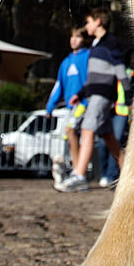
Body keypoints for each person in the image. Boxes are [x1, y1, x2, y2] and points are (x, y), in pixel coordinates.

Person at [56, 8, 129, 192]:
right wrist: (80, 94)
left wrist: (127, 95)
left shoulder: (111, 43)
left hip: (102, 95)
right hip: (94, 93)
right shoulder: (95, 46)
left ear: (98, 22)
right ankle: (130, 174)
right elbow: (92, 78)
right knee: (108, 137)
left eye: (88, 22)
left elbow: (121, 69)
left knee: (88, 130)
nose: (86, 26)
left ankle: (79, 176)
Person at [45, 26, 91, 188]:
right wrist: (50, 106)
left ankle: (80, 174)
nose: (74, 40)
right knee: (68, 135)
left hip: (84, 104)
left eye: (78, 37)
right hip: (70, 108)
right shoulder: (66, 62)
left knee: (71, 131)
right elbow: (59, 85)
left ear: (84, 39)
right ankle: (75, 170)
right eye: (72, 37)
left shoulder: (88, 57)